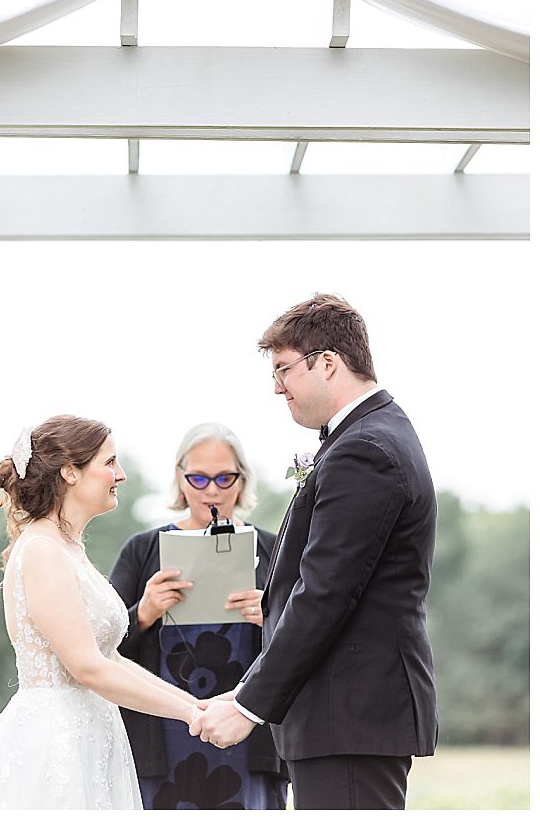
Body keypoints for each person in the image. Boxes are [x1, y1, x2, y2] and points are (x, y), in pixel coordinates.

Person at [194, 294, 436, 809]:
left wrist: (248, 704)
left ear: (328, 363)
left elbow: (325, 592)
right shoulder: (369, 436)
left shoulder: (365, 450)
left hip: (349, 714)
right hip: (345, 716)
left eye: (283, 369)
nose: (277, 387)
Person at [0, 415, 207, 810]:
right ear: (71, 472)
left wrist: (195, 705)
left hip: (93, 732)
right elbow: (87, 667)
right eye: (109, 462)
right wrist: (189, 714)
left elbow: (110, 659)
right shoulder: (42, 550)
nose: (120, 474)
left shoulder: (69, 548)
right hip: (56, 740)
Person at [108, 423, 286, 809]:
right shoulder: (142, 550)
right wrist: (145, 611)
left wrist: (270, 618)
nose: (212, 490)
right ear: (180, 477)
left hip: (249, 733)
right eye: (199, 478)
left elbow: (306, 642)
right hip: (163, 733)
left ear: (242, 480)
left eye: (224, 478)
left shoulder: (275, 550)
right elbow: (100, 648)